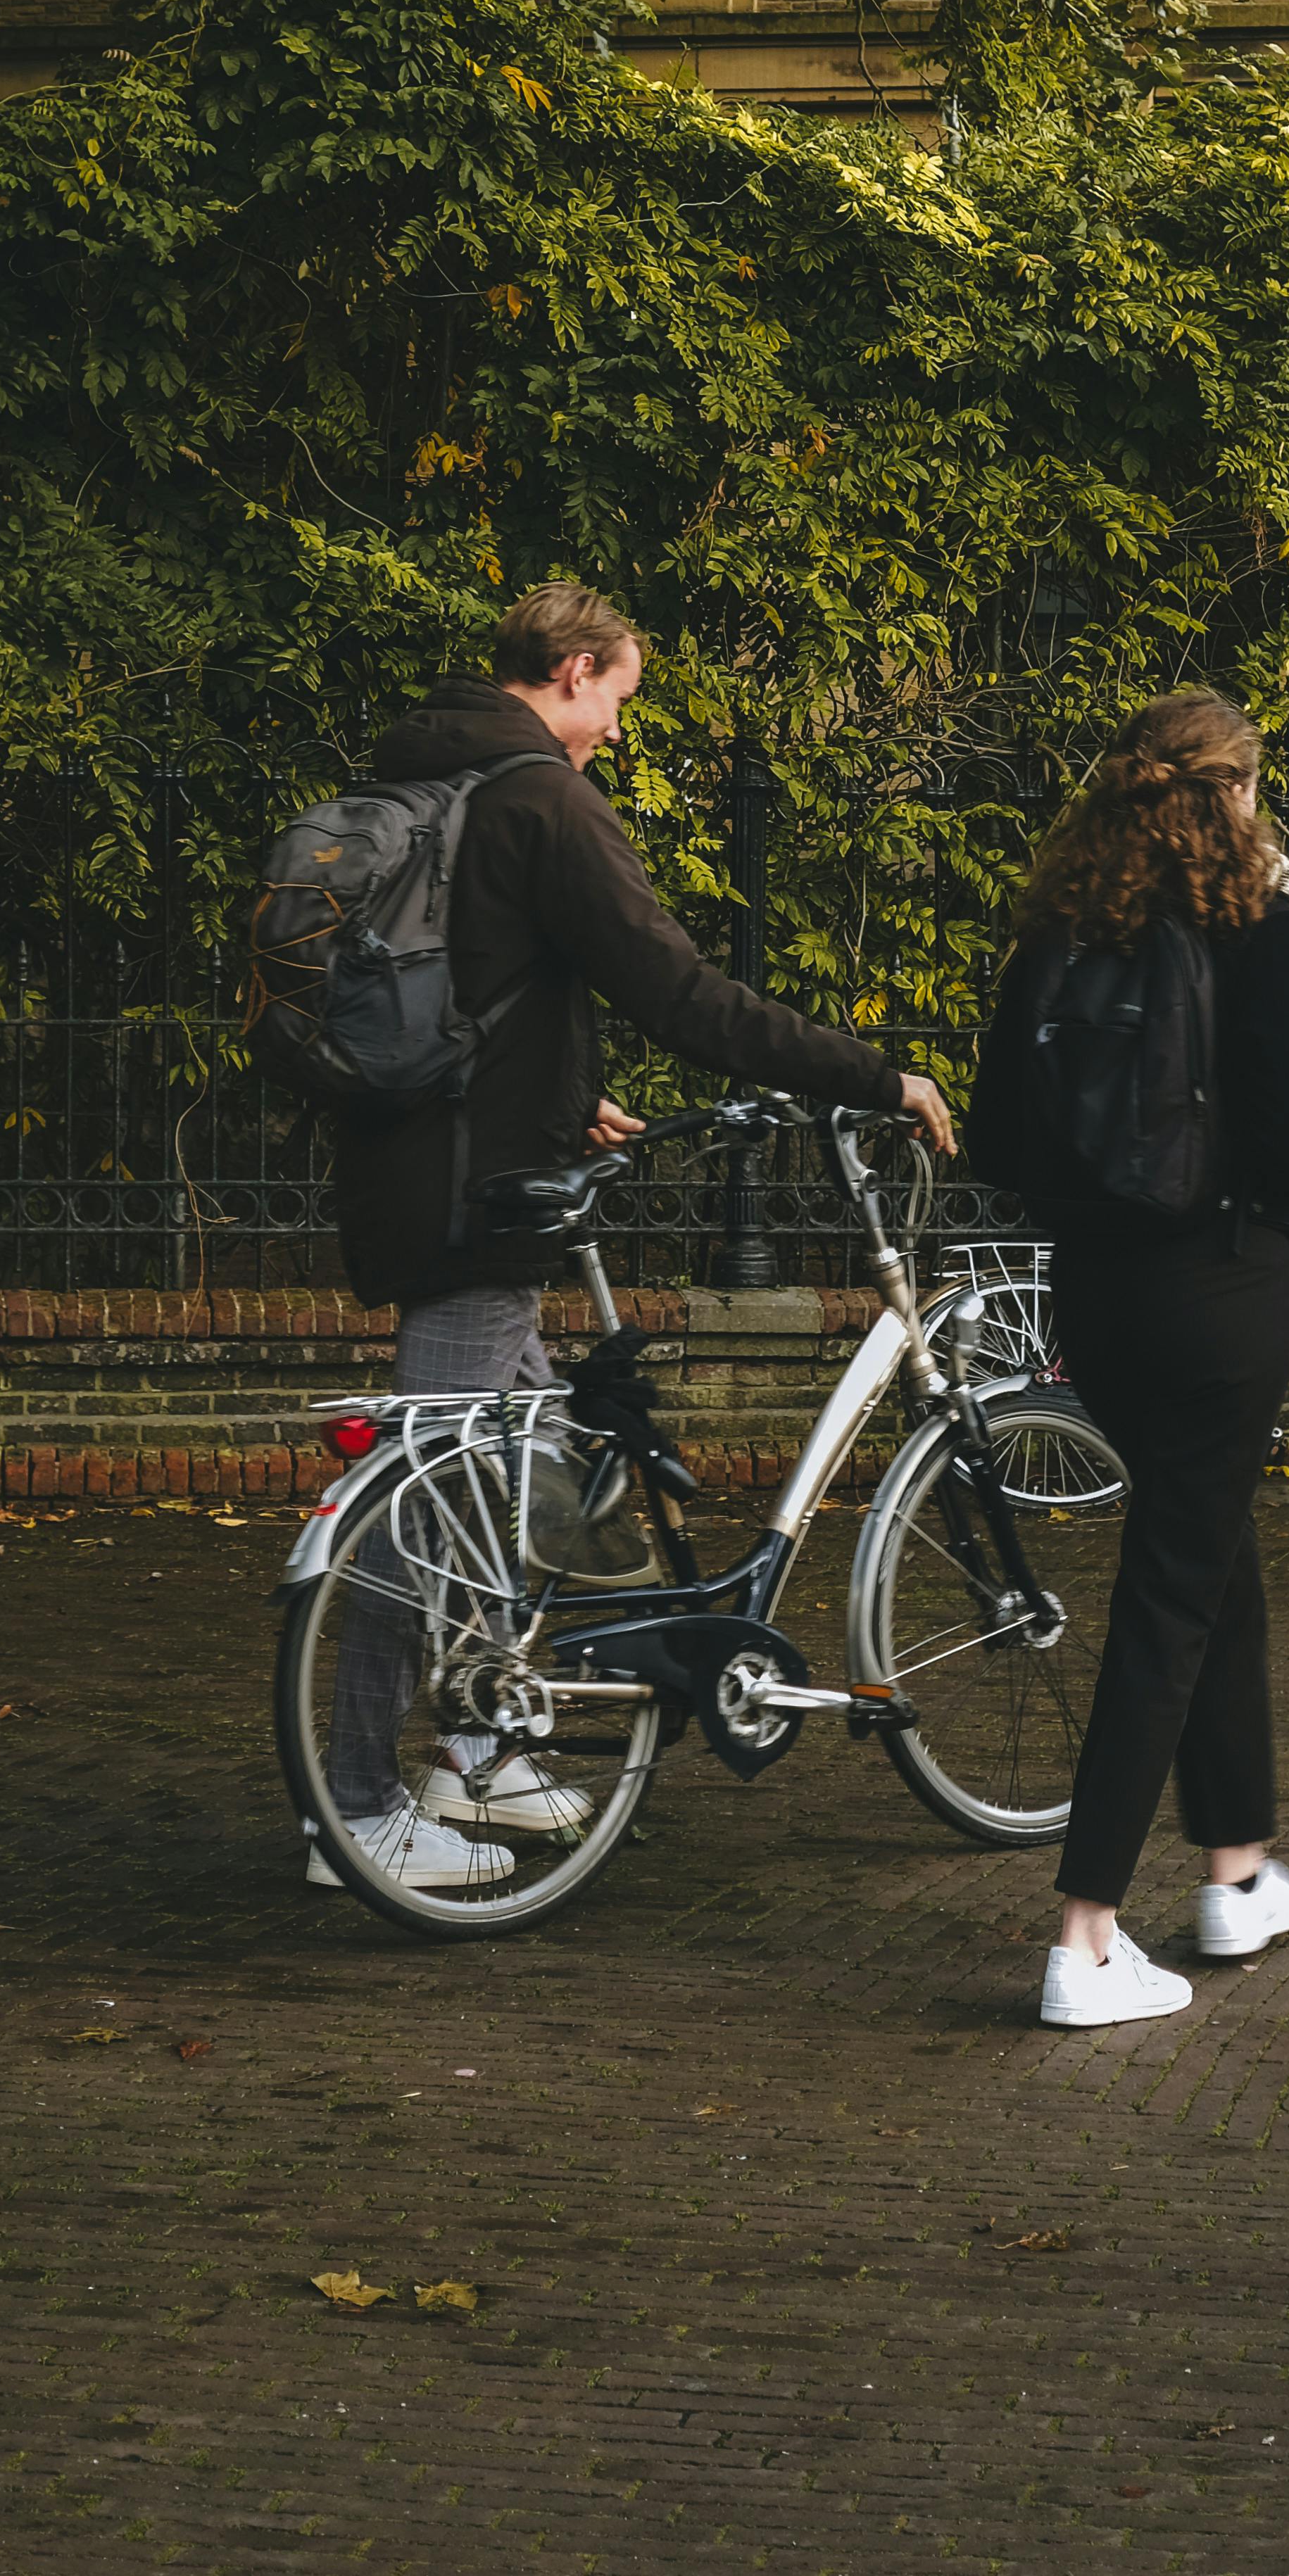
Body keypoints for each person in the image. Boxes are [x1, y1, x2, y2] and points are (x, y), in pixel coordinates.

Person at [317, 578, 957, 1890]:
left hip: (434, 1166)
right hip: (472, 1206)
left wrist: (557, 1092)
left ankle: (479, 1749)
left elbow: (476, 985)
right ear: (572, 669)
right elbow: (677, 990)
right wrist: (874, 1077)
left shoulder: (434, 777)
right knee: (423, 1506)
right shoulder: (540, 798)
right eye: (616, 696)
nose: (616, 726)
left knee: (552, 1464)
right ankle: (356, 1810)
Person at [966, 690, 1289, 2028]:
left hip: (1094, 1297)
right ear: (1233, 792)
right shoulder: (1255, 926)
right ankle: (1087, 1935)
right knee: (1169, 1596)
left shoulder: (1065, 927)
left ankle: (1237, 1869)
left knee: (1208, 1546)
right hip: (1220, 1287)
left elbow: (1003, 1134)